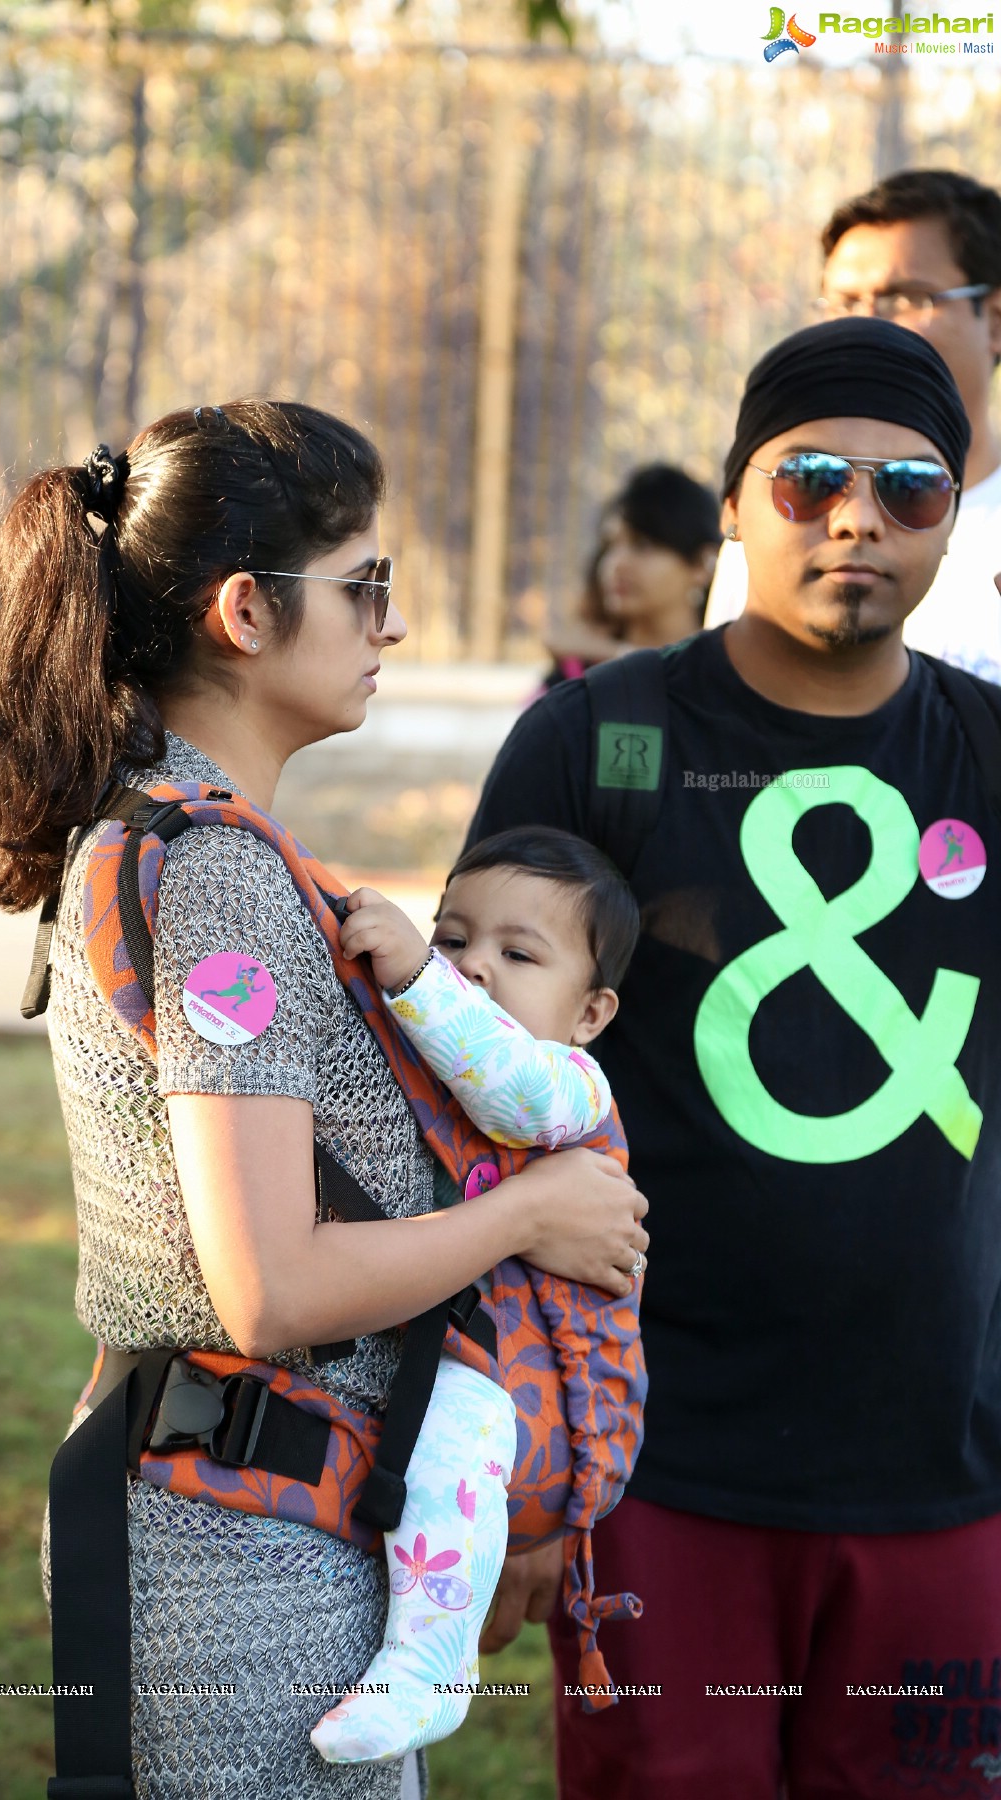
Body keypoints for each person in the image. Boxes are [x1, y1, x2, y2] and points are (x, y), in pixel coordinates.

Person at [0, 399, 650, 1800]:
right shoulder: (214, 874)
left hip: (256, 1513)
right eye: (366, 585)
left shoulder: (193, 836)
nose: (389, 623)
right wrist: (529, 1216)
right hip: (239, 1553)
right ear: (247, 616)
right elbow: (266, 1288)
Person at [467, 319, 1001, 1799]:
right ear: (732, 500)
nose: (858, 518)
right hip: (655, 1462)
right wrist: (513, 1459)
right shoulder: (594, 738)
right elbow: (472, 1100)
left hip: (944, 1467)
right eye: (813, 476)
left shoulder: (990, 752)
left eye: (913, 490)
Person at [311, 824, 640, 1764]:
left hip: (550, 1408)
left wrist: (418, 973)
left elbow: (504, 1090)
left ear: (589, 1014)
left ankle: (430, 1667)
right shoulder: (428, 1071)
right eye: (453, 936)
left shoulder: (570, 1085)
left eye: (517, 952)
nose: (474, 966)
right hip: (460, 1364)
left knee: (457, 1426)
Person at [705, 168, 1001, 684]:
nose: (865, 323)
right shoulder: (785, 509)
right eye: (842, 304)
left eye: (906, 298)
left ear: (995, 321)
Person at [542, 464, 720, 688]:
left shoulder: (730, 675)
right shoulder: (576, 674)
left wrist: (618, 654)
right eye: (610, 545)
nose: (616, 563)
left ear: (702, 564)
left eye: (642, 545)